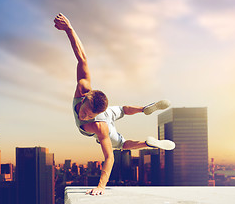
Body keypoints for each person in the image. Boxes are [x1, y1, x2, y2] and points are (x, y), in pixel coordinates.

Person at [54, 13, 175, 195]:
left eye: (89, 116)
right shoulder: (82, 87)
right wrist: (69, 29)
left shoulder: (99, 126)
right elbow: (82, 58)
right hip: (108, 111)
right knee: (123, 110)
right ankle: (145, 114)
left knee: (123, 145)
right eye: (85, 112)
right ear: (85, 97)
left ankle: (147, 136)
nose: (84, 116)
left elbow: (109, 157)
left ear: (96, 115)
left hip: (106, 121)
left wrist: (101, 186)